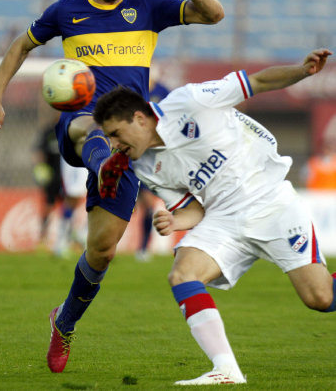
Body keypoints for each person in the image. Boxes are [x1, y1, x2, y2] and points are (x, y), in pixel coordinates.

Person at [0, 0, 225, 373]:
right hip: (85, 123)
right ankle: (102, 162)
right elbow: (21, 46)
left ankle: (64, 321)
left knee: (102, 251)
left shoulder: (147, 6)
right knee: (85, 124)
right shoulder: (66, 12)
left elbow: (214, 14)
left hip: (131, 142)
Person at [93, 48, 336, 386]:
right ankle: (226, 369)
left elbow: (258, 81)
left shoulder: (190, 102)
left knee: (321, 298)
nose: (113, 144)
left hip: (269, 200)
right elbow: (195, 209)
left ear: (139, 118)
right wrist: (176, 222)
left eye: (116, 134)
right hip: (223, 220)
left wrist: (303, 70)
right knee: (183, 274)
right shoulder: (144, 165)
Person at [136, 68, 171, 261]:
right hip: (134, 152)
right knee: (137, 204)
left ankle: (143, 246)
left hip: (154, 154)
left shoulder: (164, 92)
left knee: (148, 203)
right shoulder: (136, 91)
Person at [32, 123, 63, 242]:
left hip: (66, 177)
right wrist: (39, 168)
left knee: (68, 205)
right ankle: (42, 235)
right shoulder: (49, 132)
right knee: (49, 205)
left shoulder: (70, 130)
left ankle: (67, 236)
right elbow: (39, 151)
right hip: (51, 176)